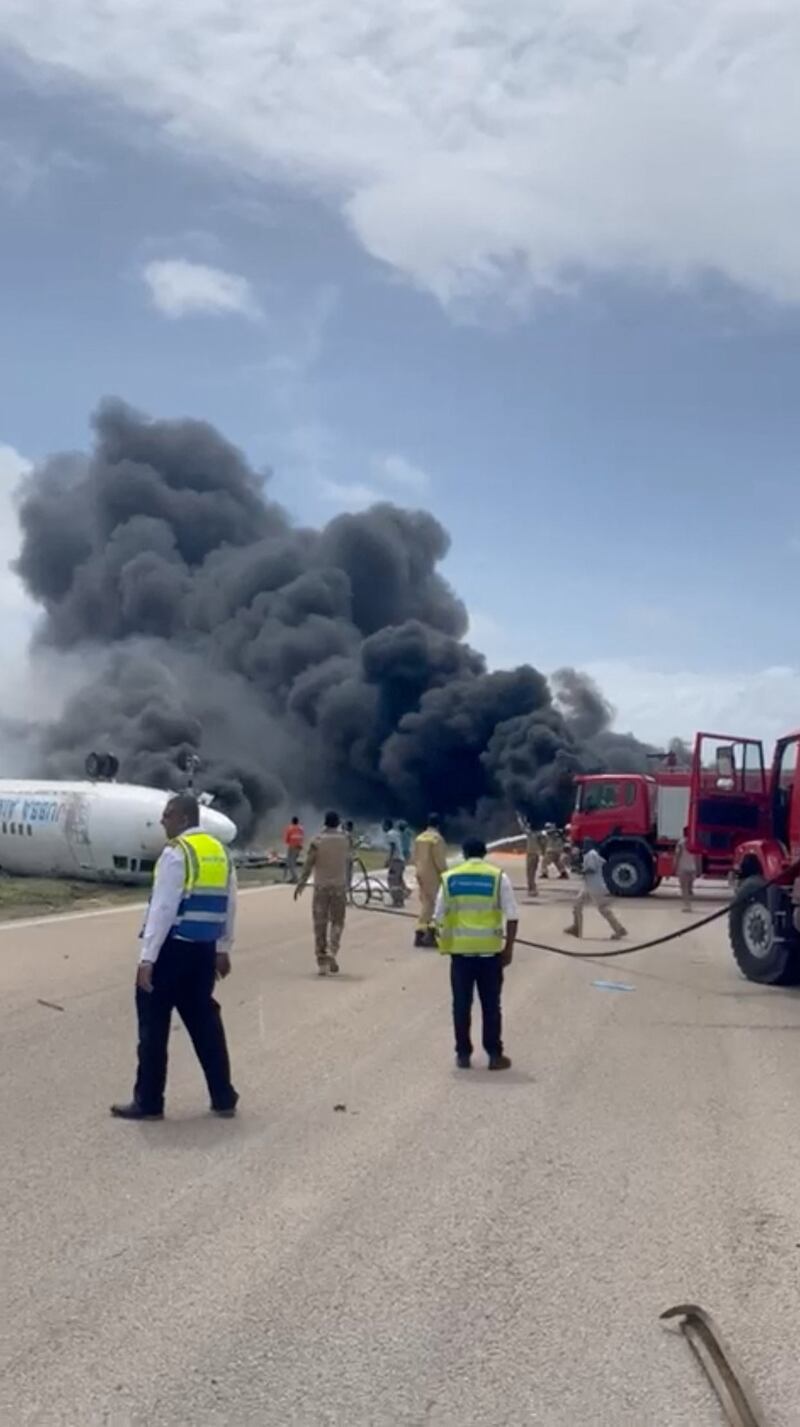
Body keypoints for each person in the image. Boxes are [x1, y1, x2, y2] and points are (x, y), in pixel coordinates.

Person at [111, 792, 238, 1122]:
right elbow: (229, 904)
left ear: (183, 818)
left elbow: (163, 909)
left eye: (167, 815)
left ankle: (149, 1101)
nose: (163, 820)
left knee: (153, 1027)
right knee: (205, 1024)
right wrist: (223, 948)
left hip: (171, 950)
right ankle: (223, 1096)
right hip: (203, 951)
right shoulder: (220, 853)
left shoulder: (176, 853)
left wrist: (147, 959)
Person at [435, 837, 517, 1071]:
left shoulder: (450, 879)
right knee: (491, 1006)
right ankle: (494, 1055)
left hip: (460, 955)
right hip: (490, 955)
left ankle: (463, 1054)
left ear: (463, 853)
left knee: (461, 1005)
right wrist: (508, 949)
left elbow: (438, 916)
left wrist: (446, 942)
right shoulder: (498, 877)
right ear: (484, 853)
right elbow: (512, 916)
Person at [295, 810, 350, 975]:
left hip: (321, 888)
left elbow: (308, 865)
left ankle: (322, 961)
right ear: (338, 822)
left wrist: (301, 884)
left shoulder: (317, 841)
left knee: (320, 923)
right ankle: (333, 951)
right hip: (339, 887)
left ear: (325, 823)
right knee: (337, 922)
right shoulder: (346, 839)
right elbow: (349, 860)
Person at [565, 839, 627, 941]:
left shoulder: (591, 854)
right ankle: (576, 927)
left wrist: (580, 871)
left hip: (595, 886)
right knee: (577, 905)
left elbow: (591, 869)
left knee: (603, 909)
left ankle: (619, 929)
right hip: (589, 885)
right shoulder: (589, 855)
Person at [414, 813, 448, 947]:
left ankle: (420, 933)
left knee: (426, 904)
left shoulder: (419, 838)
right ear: (438, 825)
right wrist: (446, 874)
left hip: (420, 874)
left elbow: (415, 857)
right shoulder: (437, 839)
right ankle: (431, 935)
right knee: (437, 905)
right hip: (433, 875)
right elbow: (439, 860)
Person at [674, 827, 700, 912]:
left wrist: (674, 866)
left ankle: (687, 905)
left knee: (684, 888)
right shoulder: (695, 842)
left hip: (683, 868)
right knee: (689, 888)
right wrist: (698, 868)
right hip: (692, 868)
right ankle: (689, 903)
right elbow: (698, 856)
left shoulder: (681, 843)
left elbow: (677, 855)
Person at [383, 817, 407, 908]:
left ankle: (397, 901)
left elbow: (392, 847)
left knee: (392, 880)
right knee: (398, 881)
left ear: (387, 826)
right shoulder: (395, 833)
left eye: (383, 826)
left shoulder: (390, 834)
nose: (382, 828)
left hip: (396, 861)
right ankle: (400, 901)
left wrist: (388, 860)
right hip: (401, 861)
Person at [283, 815, 305, 883]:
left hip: (292, 847)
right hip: (299, 847)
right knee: (293, 863)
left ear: (292, 822)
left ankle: (295, 878)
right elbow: (302, 837)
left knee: (290, 863)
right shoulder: (301, 828)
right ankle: (293, 877)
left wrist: (288, 843)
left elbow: (286, 839)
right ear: (297, 822)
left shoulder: (290, 828)